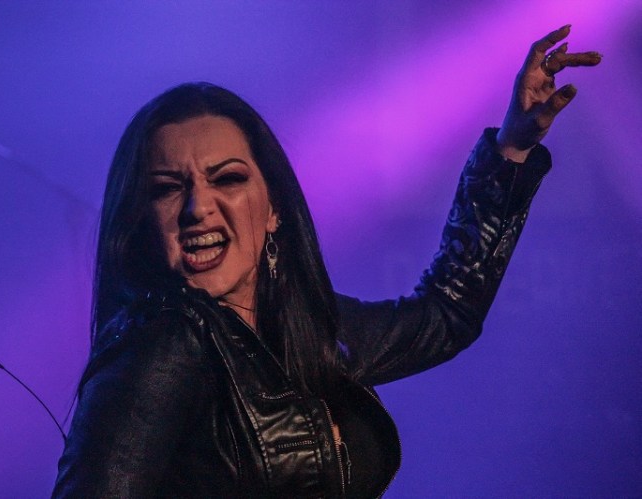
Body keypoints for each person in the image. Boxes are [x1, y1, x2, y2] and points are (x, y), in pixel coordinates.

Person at [52, 26, 600, 498]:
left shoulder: (308, 329)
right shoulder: (160, 347)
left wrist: (511, 147)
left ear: (274, 209)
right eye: (168, 188)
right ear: (142, 221)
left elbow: (445, 314)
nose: (198, 207)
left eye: (228, 179)